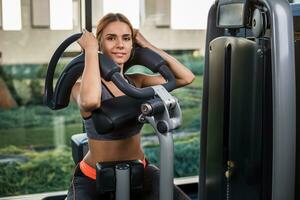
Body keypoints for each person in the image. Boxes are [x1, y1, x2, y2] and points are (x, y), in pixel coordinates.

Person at [67, 13, 195, 200]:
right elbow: (90, 102)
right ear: (99, 43)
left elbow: (186, 77)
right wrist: (91, 51)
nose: (120, 44)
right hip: (94, 177)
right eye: (111, 38)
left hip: (139, 172)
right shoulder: (80, 87)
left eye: (126, 39)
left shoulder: (137, 81)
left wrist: (147, 45)